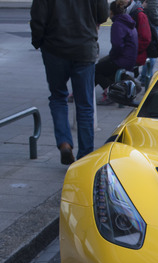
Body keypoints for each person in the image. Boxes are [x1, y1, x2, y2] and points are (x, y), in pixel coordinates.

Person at [30, 0, 108, 165]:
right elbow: (102, 14)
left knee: (58, 97)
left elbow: (38, 17)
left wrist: (38, 42)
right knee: (85, 104)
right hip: (84, 47)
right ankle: (85, 156)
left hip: (54, 49)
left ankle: (64, 143)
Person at [95, 1, 138, 105]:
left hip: (122, 60)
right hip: (130, 58)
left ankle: (111, 92)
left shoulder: (118, 24)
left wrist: (112, 57)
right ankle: (83, 92)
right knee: (100, 66)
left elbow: (117, 46)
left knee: (95, 70)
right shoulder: (127, 21)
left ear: (111, 12)